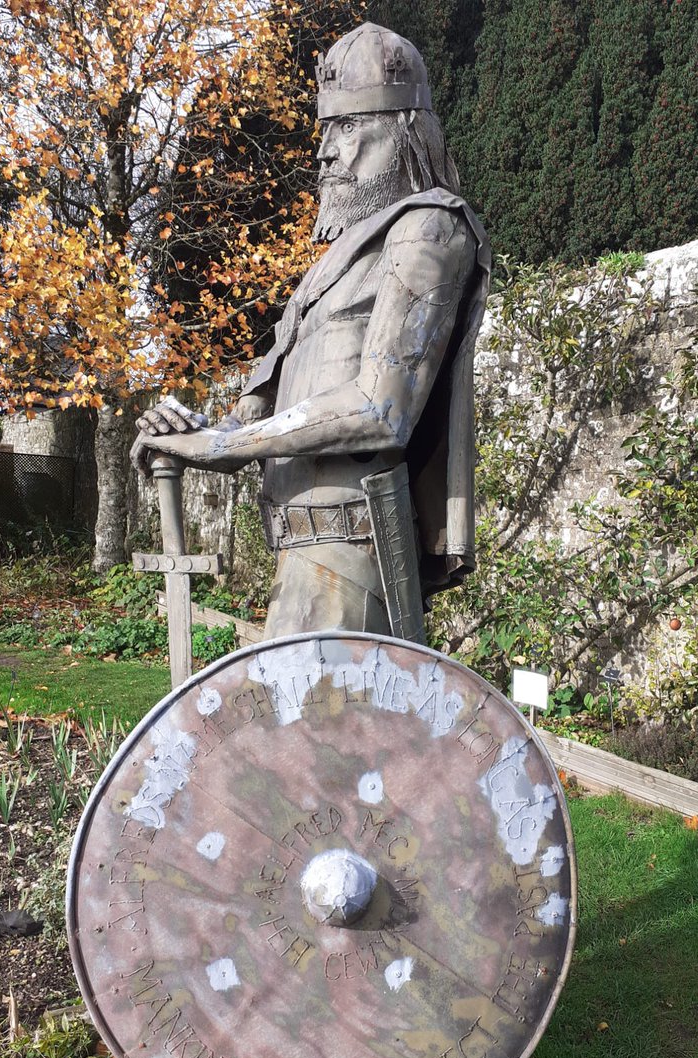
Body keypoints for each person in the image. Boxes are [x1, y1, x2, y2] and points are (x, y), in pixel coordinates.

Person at [132, 22, 490, 642]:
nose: (326, 149)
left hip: (357, 555)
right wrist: (191, 433)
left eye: (349, 126)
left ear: (404, 133)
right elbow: (254, 419)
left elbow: (381, 407)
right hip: (299, 556)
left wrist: (220, 448)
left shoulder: (428, 229)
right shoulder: (332, 267)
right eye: (326, 128)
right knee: (289, 733)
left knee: (333, 734)